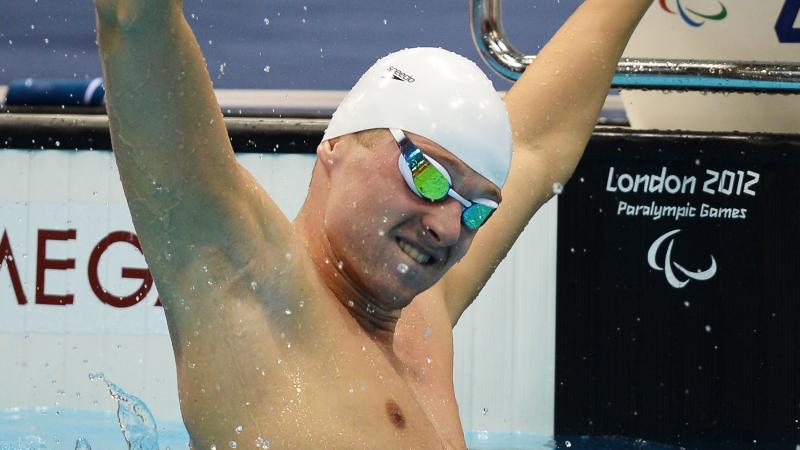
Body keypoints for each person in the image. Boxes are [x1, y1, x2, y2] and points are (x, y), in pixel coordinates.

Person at [94, 0, 654, 448]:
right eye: (428, 176)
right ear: (336, 145)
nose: (449, 227)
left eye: (477, 208)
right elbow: (134, 21)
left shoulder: (419, 322)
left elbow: (537, 145)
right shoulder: (246, 286)